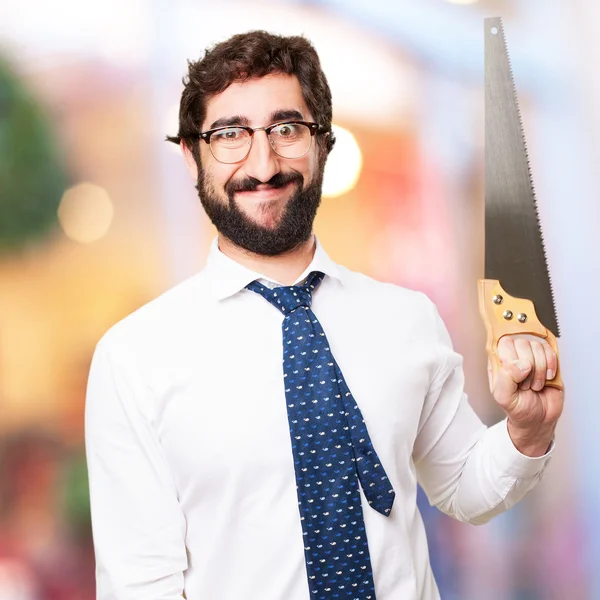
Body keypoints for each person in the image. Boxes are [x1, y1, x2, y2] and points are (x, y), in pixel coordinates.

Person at [84, 31, 564, 600]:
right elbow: (141, 585)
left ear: (324, 145)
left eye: (286, 130)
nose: (263, 164)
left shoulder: (407, 319)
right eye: (230, 134)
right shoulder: (134, 359)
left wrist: (526, 431)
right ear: (193, 156)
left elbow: (463, 485)